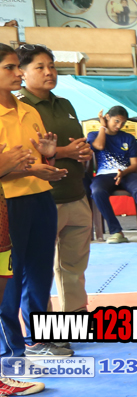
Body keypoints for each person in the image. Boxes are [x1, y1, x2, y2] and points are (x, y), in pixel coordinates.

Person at [0, 43, 69, 359]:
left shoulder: (29, 111)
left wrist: (49, 160)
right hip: (8, 204)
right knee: (9, 279)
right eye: (10, 68)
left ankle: (38, 339)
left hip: (40, 199)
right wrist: (23, 168)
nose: (18, 73)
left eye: (18, 66)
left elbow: (39, 162)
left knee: (40, 273)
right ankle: (11, 351)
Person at [16, 44, 93, 325]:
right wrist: (66, 152)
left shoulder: (64, 104)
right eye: (40, 67)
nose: (49, 72)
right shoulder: (18, 107)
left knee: (74, 265)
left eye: (52, 66)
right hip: (43, 197)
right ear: (22, 73)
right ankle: (44, 328)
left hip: (76, 193)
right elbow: (22, 153)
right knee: (38, 270)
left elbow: (76, 142)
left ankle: (75, 318)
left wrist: (83, 152)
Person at [88, 106, 137, 245]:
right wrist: (102, 127)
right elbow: (99, 146)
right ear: (107, 117)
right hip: (104, 176)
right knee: (96, 191)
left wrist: (123, 172)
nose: (119, 126)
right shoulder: (94, 135)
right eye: (116, 121)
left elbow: (135, 165)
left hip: (128, 174)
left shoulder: (128, 138)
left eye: (123, 123)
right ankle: (116, 232)